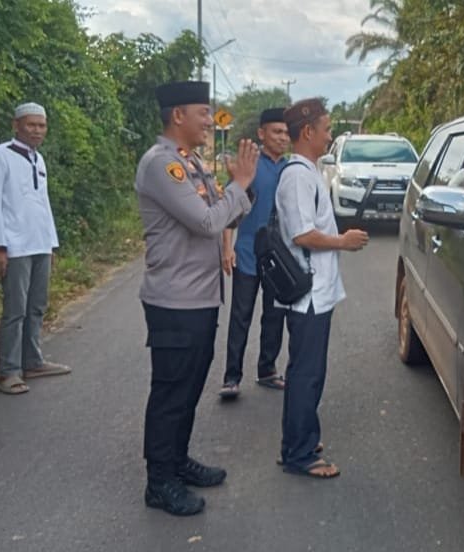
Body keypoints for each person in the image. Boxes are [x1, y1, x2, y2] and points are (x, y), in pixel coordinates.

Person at [135, 80, 258, 516]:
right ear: (178, 116)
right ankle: (159, 482)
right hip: (174, 300)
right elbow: (206, 222)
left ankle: (177, 460)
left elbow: (225, 212)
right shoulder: (161, 164)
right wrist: (240, 185)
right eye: (203, 113)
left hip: (200, 298)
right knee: (171, 392)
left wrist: (242, 190)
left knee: (188, 388)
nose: (210, 120)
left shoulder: (191, 162)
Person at [276, 98, 369, 478]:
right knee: (306, 373)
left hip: (317, 291)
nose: (330, 136)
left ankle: (299, 440)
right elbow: (302, 234)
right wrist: (342, 241)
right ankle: (298, 454)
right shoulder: (298, 176)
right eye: (326, 129)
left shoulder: (309, 172)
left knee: (308, 370)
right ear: (307, 132)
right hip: (308, 294)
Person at [0, 102, 71, 396]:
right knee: (15, 310)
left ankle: (33, 362)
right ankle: (9, 371)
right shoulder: (1, 156)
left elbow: (43, 204)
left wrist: (50, 244)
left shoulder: (38, 159)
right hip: (14, 246)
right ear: (16, 125)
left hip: (39, 243)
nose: (37, 131)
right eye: (31, 125)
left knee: (37, 306)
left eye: (42, 125)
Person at [219, 108, 290, 399]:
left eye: (286, 132)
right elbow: (230, 209)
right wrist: (227, 248)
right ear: (262, 134)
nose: (282, 137)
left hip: (279, 257)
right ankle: (231, 377)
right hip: (247, 253)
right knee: (241, 316)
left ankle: (267, 370)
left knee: (274, 315)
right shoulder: (249, 166)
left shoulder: (290, 168)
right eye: (276, 131)